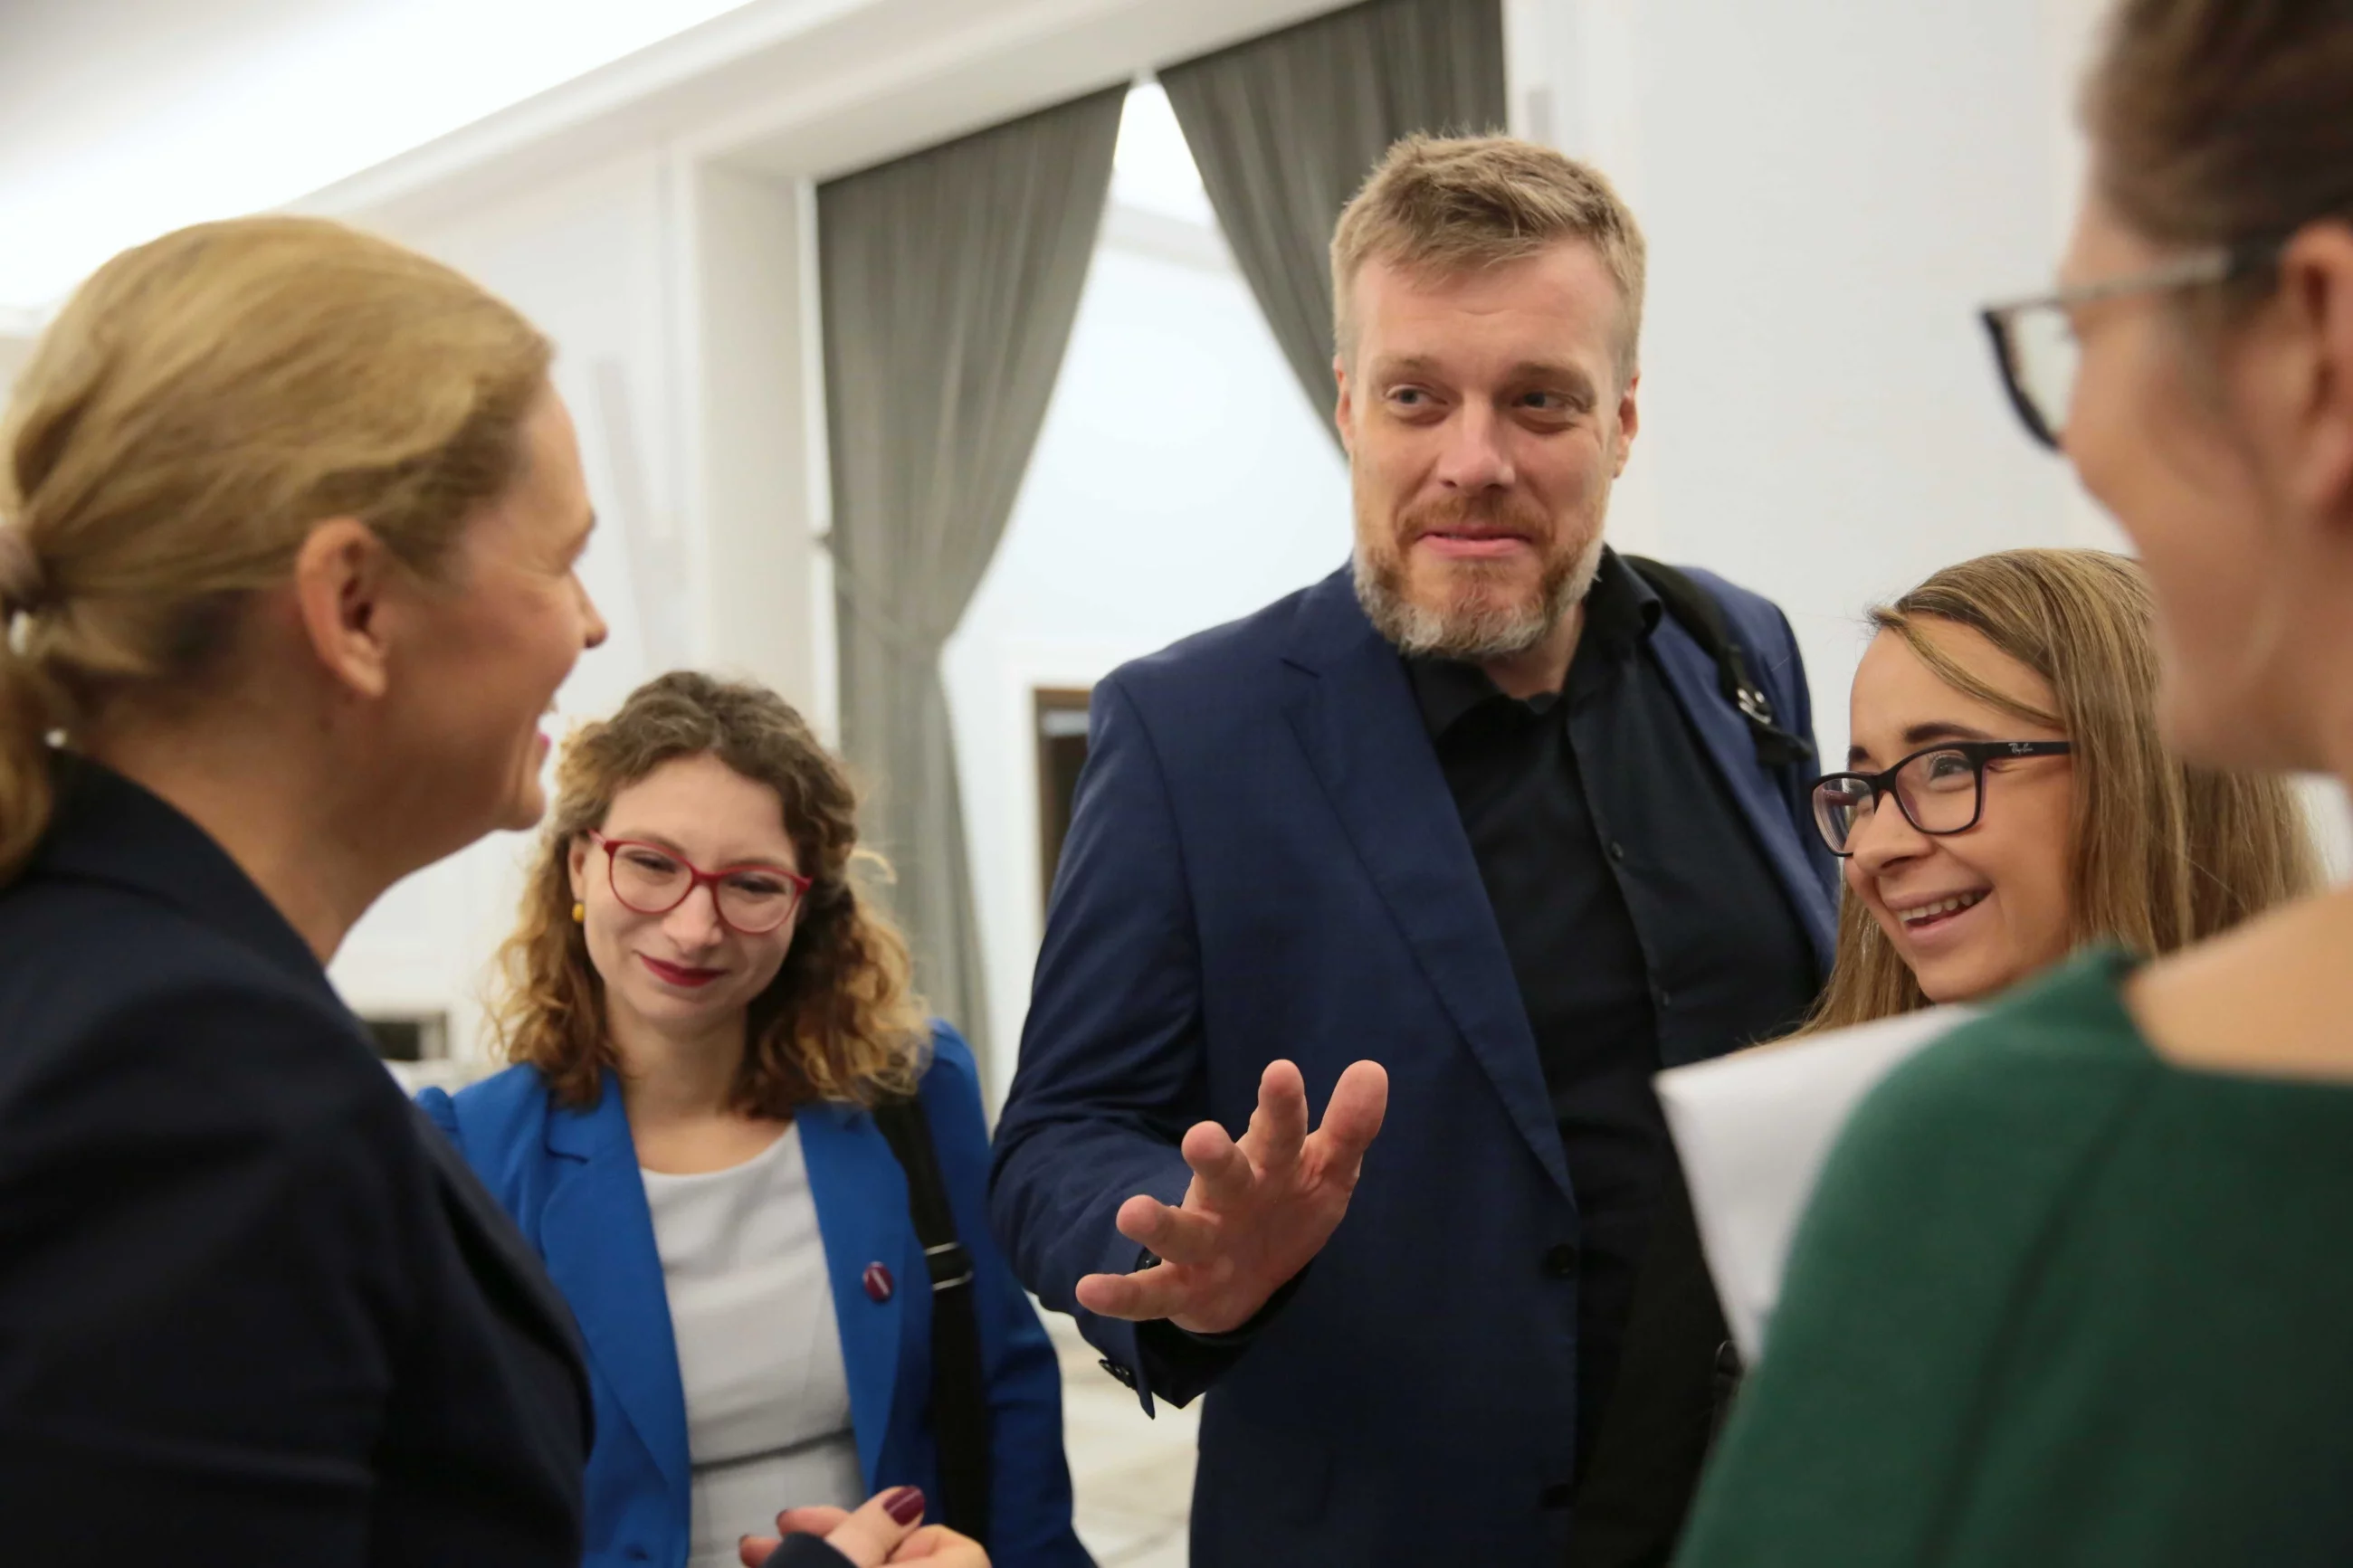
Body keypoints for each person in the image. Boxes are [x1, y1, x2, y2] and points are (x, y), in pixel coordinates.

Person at [990, 134, 1840, 1567]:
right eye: (1416, 396)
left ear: (1624, 420)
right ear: (1347, 408)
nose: (1474, 462)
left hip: (1766, 1504)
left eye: (1541, 401)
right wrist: (1187, 1261)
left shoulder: (1738, 652)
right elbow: (1055, 1133)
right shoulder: (1192, 728)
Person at [1675, 1, 2353, 1562]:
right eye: (1862, 786)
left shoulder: (2002, 1149)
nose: (2089, 436)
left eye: (2084, 332)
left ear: (2311, 337)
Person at [0, 215, 604, 1563]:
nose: (593, 624)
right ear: (356, 608)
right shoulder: (185, 1074)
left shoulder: (91, 968)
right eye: (562, 558)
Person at [420, 671, 1078, 1568]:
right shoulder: (465, 1156)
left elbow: (1006, 1394)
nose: (695, 927)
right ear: (581, 863)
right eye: (651, 863)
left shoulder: (909, 1093)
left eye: (751, 884)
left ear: (803, 902)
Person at [1803, 546, 2312, 1030]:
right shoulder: (1787, 1118)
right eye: (1866, 791)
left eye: (1946, 767)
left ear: (2139, 778)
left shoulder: (2312, 1100)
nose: (1873, 850)